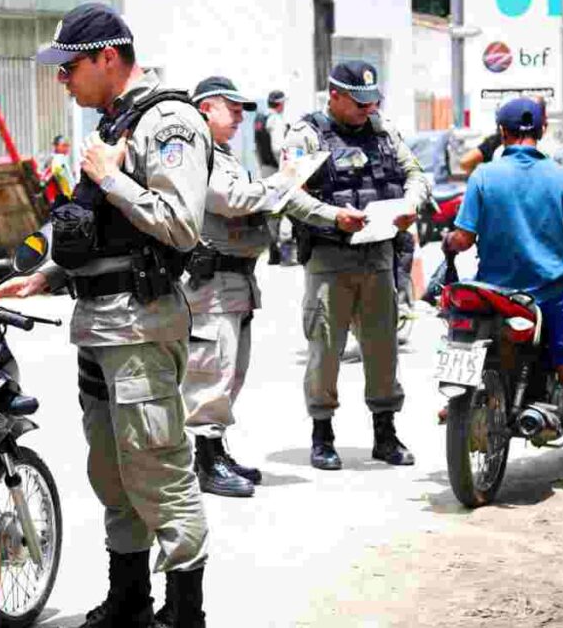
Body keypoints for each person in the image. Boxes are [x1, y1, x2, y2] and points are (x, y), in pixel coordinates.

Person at [0, 3, 210, 628]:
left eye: (69, 68)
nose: (63, 80)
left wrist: (112, 179)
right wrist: (48, 273)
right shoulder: (115, 125)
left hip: (140, 327)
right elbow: (103, 231)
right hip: (100, 328)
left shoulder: (168, 122)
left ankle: (185, 611)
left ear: (107, 58)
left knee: (160, 470)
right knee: (112, 472)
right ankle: (129, 601)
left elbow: (180, 224)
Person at [442, 97, 563, 492]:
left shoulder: (484, 177)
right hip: (549, 294)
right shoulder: (561, 177)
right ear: (542, 130)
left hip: (494, 294)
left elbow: (463, 236)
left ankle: (459, 402)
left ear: (502, 133)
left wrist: (449, 241)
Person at [280, 60, 429, 471]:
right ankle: (322, 434)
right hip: (331, 258)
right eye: (359, 102)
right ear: (335, 95)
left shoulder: (382, 131)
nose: (368, 109)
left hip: (378, 253)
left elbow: (415, 174)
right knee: (326, 350)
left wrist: (410, 205)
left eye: (372, 100)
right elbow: (288, 194)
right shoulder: (306, 135)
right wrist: (333, 216)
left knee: (383, 349)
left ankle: (386, 433)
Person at [183, 77, 298, 498]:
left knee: (231, 370)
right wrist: (282, 180)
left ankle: (216, 451)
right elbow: (231, 200)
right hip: (211, 282)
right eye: (230, 109)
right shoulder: (195, 155)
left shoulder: (223, 154)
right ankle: (206, 461)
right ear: (204, 109)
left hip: (235, 279)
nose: (238, 119)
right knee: (210, 371)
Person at [254, 90, 289, 265]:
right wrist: (286, 171)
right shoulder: (275, 120)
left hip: (265, 169)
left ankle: (274, 253)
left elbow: (257, 148)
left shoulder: (260, 118)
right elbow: (277, 148)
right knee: (284, 209)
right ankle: (285, 254)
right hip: (276, 170)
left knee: (271, 212)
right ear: (281, 103)